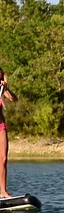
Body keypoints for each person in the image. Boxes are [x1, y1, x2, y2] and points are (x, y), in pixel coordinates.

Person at [0, 67, 18, 198]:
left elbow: (14, 99)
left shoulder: (1, 89)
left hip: (1, 126)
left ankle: (4, 191)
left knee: (4, 159)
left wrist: (6, 88)